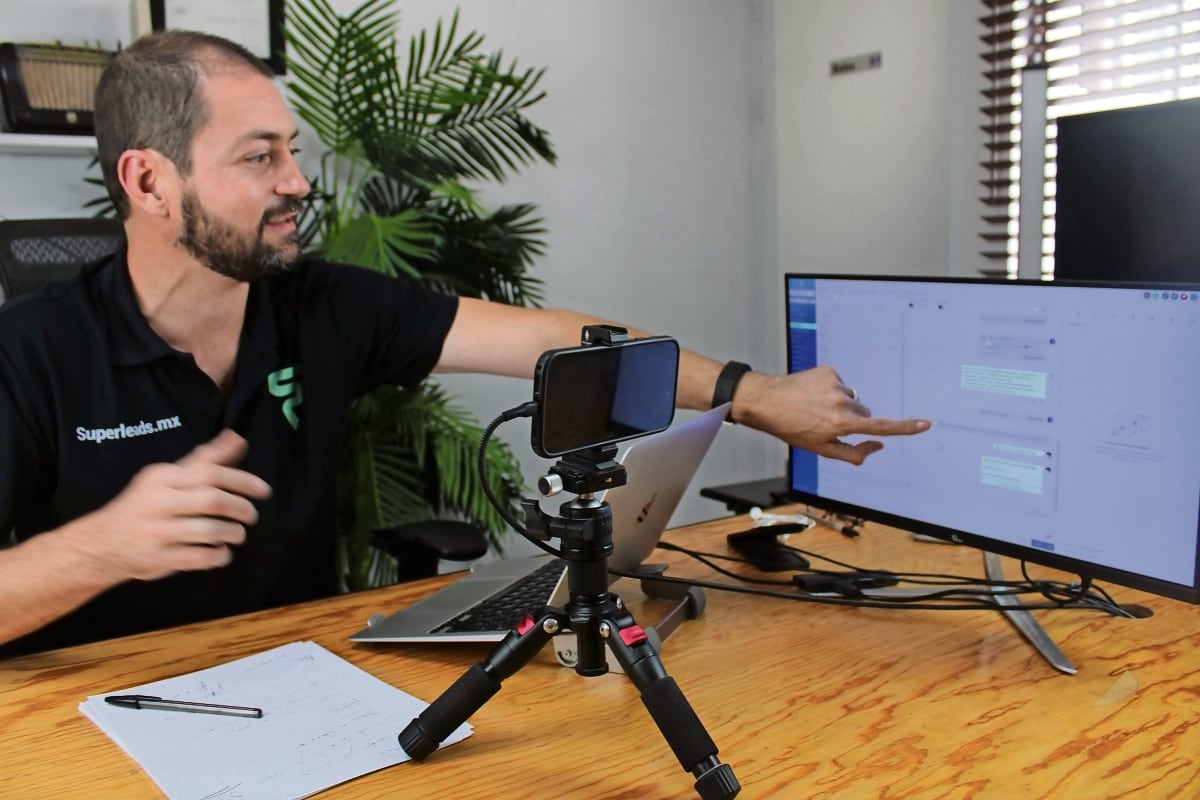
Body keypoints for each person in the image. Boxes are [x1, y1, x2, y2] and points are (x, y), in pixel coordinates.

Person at [0, 31, 928, 657]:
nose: (297, 182)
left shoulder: (320, 304)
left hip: (295, 687)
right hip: (80, 720)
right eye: (258, 157)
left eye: (293, 150)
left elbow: (560, 342)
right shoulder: (30, 354)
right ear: (150, 182)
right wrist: (105, 546)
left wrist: (753, 392)